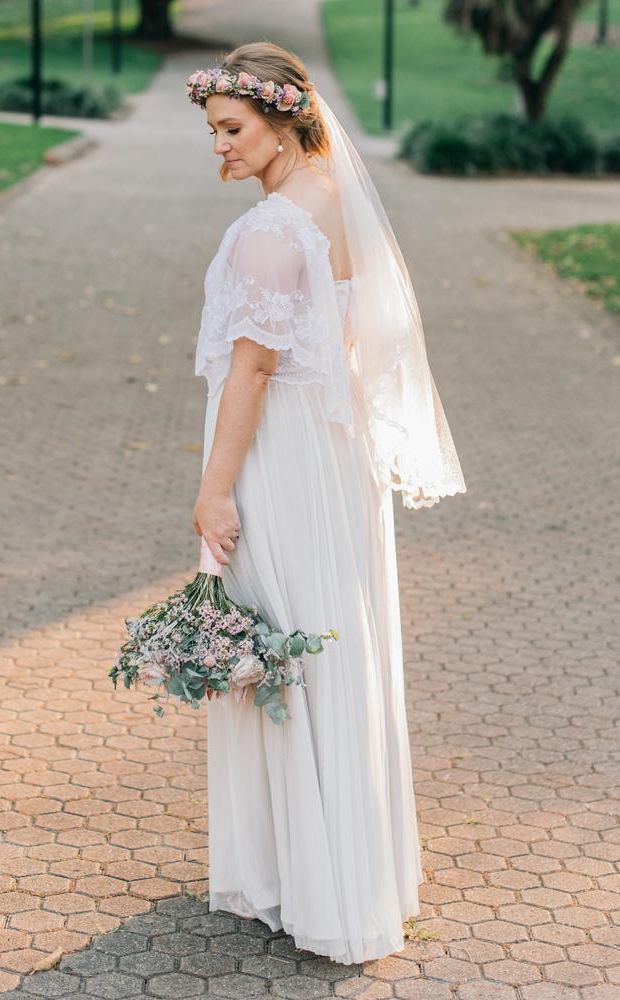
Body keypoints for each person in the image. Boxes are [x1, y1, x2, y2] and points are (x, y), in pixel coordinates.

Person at [186, 42, 466, 966]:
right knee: (328, 646)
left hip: (284, 452)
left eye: (231, 130)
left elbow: (254, 368)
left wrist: (215, 488)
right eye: (215, 131)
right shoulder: (335, 200)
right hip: (332, 448)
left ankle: (306, 885)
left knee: (285, 651)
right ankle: (346, 874)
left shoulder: (272, 228)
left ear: (281, 118)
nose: (219, 149)